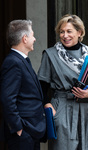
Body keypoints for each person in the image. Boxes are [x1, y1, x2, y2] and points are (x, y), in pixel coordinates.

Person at [38, 14, 88, 150]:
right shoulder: (50, 55)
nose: (65, 35)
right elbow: (41, 86)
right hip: (62, 109)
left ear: (79, 32)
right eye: (62, 32)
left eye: (69, 31)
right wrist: (48, 107)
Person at [0, 20, 46, 150]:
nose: (35, 38)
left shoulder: (22, 60)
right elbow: (7, 99)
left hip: (31, 130)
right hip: (23, 133)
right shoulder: (13, 62)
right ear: (25, 39)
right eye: (32, 35)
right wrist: (18, 128)